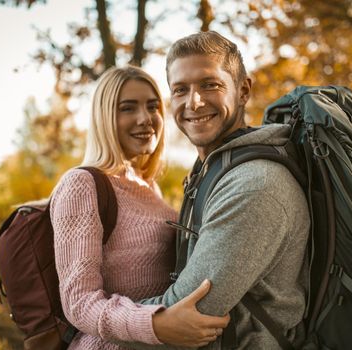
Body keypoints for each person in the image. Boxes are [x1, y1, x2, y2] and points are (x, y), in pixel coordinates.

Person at [133, 31, 311, 349]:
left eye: (209, 84)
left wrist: (91, 316)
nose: (194, 102)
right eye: (180, 90)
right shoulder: (214, 169)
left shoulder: (255, 186)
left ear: (243, 90)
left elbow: (184, 313)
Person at [50, 66, 230, 349]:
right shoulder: (82, 184)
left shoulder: (148, 187)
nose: (145, 119)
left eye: (152, 106)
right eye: (127, 108)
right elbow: (80, 303)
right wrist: (156, 324)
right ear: (105, 117)